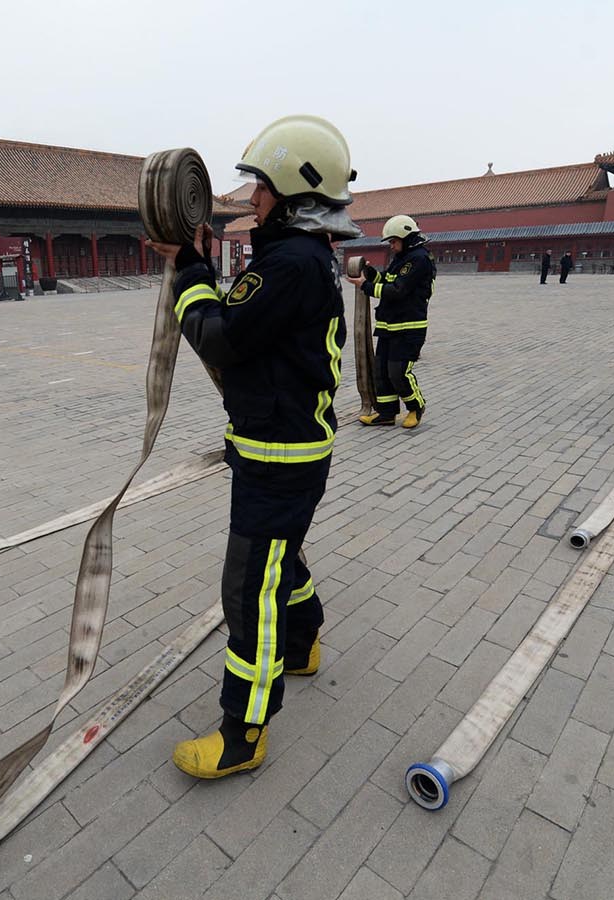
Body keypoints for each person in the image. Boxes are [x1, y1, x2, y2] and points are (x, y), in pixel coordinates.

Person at [148, 115, 360, 779]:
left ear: (294, 192)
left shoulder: (289, 265)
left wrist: (188, 273)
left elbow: (221, 337)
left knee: (248, 593)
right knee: (279, 560)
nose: (252, 199)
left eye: (261, 187)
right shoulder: (311, 258)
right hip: (292, 452)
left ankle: (244, 733)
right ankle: (303, 644)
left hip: (278, 460)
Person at [347, 215, 433, 428]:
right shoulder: (402, 258)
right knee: (382, 372)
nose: (392, 246)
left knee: (398, 372)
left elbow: (397, 291)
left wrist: (365, 286)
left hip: (408, 329)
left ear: (406, 237)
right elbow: (387, 279)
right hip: (389, 327)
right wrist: (371, 274)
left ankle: (416, 407)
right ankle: (386, 414)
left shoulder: (419, 259)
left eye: (394, 241)